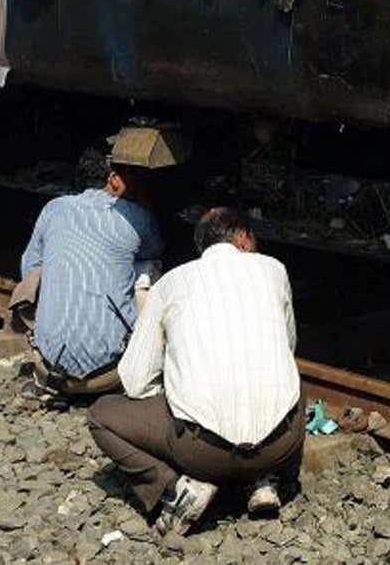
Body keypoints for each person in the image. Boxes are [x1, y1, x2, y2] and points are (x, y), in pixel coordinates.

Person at [86, 208, 305, 536]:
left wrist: (174, 392)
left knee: (101, 415)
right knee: (293, 380)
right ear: (243, 237)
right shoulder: (274, 269)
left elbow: (134, 380)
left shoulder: (171, 283)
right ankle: (262, 481)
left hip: (201, 454)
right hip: (280, 446)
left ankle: (174, 489)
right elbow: (288, 347)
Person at [17, 140, 166, 400]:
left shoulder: (54, 208)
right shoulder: (135, 215)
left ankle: (45, 366)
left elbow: (28, 267)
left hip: (49, 370)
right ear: (114, 178)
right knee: (147, 267)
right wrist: (142, 196)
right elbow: (156, 248)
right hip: (110, 375)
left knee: (44, 266)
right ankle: (144, 366)